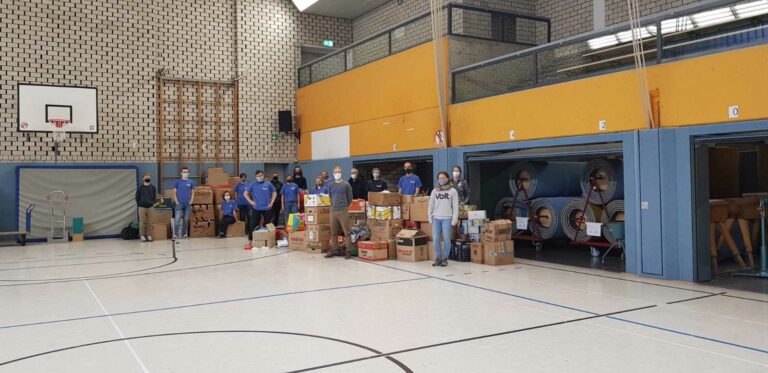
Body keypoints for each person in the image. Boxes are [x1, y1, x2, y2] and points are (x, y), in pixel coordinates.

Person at [428, 172, 459, 267]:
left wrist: (454, 219)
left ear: (447, 178)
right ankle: (438, 258)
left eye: (443, 178)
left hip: (447, 218)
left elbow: (455, 206)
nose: (441, 179)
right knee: (436, 239)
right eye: (439, 178)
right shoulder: (434, 191)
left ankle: (444, 258)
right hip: (436, 218)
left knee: (446, 239)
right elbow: (431, 205)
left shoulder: (453, 191)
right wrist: (430, 217)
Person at [325, 166, 354, 259]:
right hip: (333, 211)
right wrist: (334, 206)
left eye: (339, 172)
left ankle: (348, 251)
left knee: (347, 232)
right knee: (333, 232)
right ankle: (335, 250)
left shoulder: (346, 184)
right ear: (333, 174)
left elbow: (350, 198)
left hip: (343, 211)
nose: (337, 173)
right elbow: (330, 197)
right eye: (335, 172)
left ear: (341, 173)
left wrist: (344, 206)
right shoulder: (331, 185)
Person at [244, 170, 276, 250]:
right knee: (253, 224)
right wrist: (251, 201)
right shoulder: (253, 185)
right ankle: (250, 241)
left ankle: (270, 241)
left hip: (267, 208)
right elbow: (245, 193)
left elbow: (274, 192)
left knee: (268, 225)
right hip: (256, 208)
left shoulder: (268, 184)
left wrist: (272, 202)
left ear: (263, 175)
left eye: (261, 175)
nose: (260, 177)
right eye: (258, 176)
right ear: (256, 177)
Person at [173, 166, 195, 239]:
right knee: (177, 219)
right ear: (181, 173)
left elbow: (193, 192)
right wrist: (176, 201)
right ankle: (175, 234)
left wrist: (191, 201)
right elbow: (174, 192)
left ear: (188, 173)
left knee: (186, 219)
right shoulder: (177, 182)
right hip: (179, 203)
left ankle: (184, 234)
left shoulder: (191, 182)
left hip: (187, 204)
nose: (185, 173)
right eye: (184, 172)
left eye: (187, 172)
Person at [135, 173, 157, 242]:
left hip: (150, 206)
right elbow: (137, 197)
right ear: (143, 179)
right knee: (142, 222)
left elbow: (154, 197)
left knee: (150, 222)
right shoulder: (140, 187)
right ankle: (142, 236)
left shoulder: (153, 187)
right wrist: (140, 204)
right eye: (146, 177)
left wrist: (152, 203)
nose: (147, 178)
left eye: (148, 177)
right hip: (142, 207)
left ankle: (149, 235)